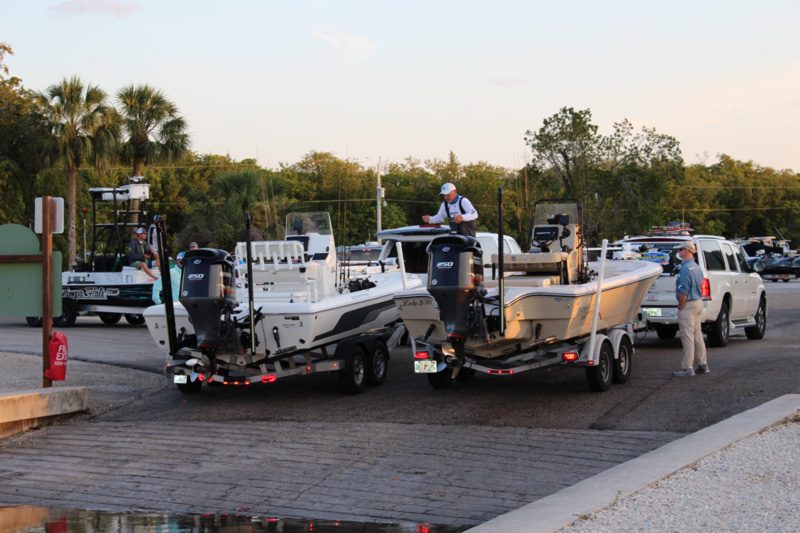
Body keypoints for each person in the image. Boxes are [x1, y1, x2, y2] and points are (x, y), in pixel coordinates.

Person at [673, 241, 709, 377]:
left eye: (680, 249)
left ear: (687, 251)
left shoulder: (685, 268)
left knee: (687, 336)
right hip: (698, 302)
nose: (678, 252)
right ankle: (702, 364)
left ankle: (687, 367)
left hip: (688, 304)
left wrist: (681, 305)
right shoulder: (696, 267)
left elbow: (684, 289)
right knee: (697, 334)